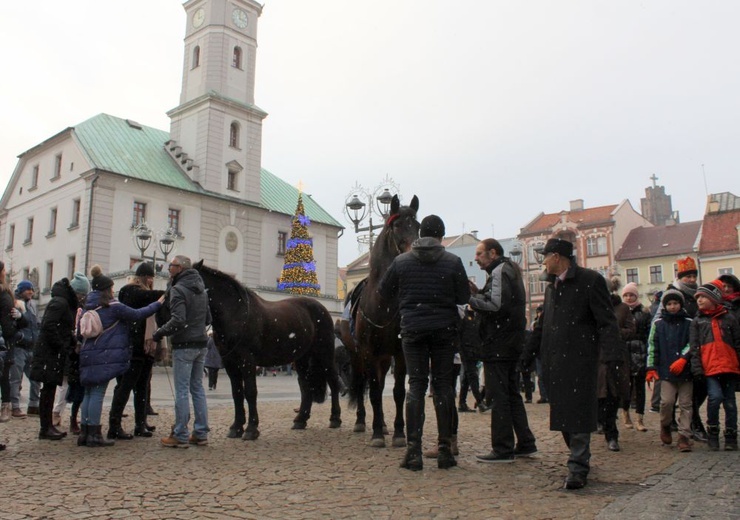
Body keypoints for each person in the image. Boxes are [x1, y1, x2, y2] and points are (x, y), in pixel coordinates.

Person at [521, 238, 622, 490]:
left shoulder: (590, 280)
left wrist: (612, 357)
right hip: (554, 361)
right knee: (565, 416)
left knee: (577, 414)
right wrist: (527, 356)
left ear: (556, 257)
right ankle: (580, 456)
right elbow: (543, 325)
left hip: (580, 360)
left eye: (544, 256)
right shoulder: (551, 286)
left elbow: (606, 322)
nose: (542, 262)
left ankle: (578, 466)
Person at [377, 215, 470, 471]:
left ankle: (414, 451)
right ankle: (444, 450)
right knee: (443, 387)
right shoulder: (453, 262)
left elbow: (384, 293)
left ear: (420, 235)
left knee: (416, 385)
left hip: (413, 330)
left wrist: (407, 299)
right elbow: (464, 296)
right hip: (444, 331)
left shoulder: (402, 261)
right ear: (441, 236)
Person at [78, 265, 164, 448]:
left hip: (88, 353)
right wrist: (158, 302)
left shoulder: (88, 305)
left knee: (88, 392)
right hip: (105, 353)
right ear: (108, 289)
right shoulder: (112, 305)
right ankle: (95, 432)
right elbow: (138, 314)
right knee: (99, 393)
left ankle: (85, 432)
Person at [469, 238, 537, 463]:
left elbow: (496, 305)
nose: (476, 258)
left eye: (480, 254)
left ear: (493, 253)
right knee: (511, 394)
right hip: (510, 342)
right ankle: (526, 442)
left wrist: (470, 300)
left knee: (498, 396)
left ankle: (502, 449)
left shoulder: (499, 271)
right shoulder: (511, 270)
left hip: (498, 343)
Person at [153, 255, 211, 448]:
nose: (169, 269)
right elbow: (208, 318)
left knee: (182, 391)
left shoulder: (178, 290)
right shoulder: (202, 290)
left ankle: (180, 434)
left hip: (185, 345)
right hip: (201, 344)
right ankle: (201, 432)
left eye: (172, 266)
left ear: (181, 268)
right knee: (197, 389)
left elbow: (178, 319)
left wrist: (159, 332)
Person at [108, 262, 165, 439]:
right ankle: (114, 424)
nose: (150, 280)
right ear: (141, 277)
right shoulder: (129, 291)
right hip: (133, 346)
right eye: (148, 277)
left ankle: (140, 424)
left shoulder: (145, 293)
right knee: (126, 386)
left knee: (142, 387)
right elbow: (145, 297)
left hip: (146, 347)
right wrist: (166, 293)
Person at [30, 276, 86, 440]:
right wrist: (62, 345)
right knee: (48, 390)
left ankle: (47, 425)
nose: (82, 298)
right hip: (50, 353)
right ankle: (45, 427)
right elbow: (49, 326)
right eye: (81, 295)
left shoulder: (61, 302)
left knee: (50, 389)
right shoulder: (60, 303)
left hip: (52, 352)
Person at [689, 280, 740, 451]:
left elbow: (738, 343)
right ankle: (713, 430)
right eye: (698, 298)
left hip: (729, 367)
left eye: (703, 297)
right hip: (709, 368)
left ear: (714, 298)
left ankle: (731, 435)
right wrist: (697, 369)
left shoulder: (729, 318)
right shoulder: (697, 322)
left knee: (730, 403)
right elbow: (694, 347)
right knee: (715, 397)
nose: (700, 300)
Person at [646, 289, 694, 452]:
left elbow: (693, 343)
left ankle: (684, 436)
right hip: (666, 371)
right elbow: (653, 346)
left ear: (680, 304)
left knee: (686, 404)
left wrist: (683, 358)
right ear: (664, 306)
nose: (673, 307)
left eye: (675, 303)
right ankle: (665, 425)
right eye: (669, 304)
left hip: (686, 371)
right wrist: (651, 367)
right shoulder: (658, 324)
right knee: (666, 402)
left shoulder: (689, 322)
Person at [596, 281, 634, 452]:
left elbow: (631, 329)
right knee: (599, 395)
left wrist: (615, 331)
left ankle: (612, 434)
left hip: (615, 357)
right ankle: (601, 422)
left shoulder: (622, 308)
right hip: (596, 357)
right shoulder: (593, 306)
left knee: (613, 396)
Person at [621, 282, 651, 432]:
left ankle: (640, 418)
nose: (628, 297)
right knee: (626, 387)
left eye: (631, 295)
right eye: (626, 295)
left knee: (639, 388)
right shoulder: (620, 312)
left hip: (640, 353)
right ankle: (626, 415)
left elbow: (647, 333)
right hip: (624, 353)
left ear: (636, 296)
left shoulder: (644, 313)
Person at [0, 260, 28, 423]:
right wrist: (15, 333)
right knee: (4, 377)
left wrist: (20, 317)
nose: (5, 273)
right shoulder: (4, 294)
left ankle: (6, 407)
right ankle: (6, 407)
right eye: (3, 270)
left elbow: (16, 320)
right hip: (5, 342)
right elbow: (9, 323)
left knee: (4, 378)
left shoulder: (6, 293)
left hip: (5, 342)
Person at [10, 280, 41, 418]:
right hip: (19, 348)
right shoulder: (15, 304)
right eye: (28, 289)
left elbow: (36, 325)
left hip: (32, 348)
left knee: (35, 377)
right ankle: (14, 407)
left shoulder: (32, 305)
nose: (31, 292)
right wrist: (20, 337)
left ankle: (34, 405)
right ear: (22, 290)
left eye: (32, 289)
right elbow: (10, 325)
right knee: (16, 379)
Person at [457, 306, 483, 412]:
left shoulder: (477, 317)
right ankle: (480, 401)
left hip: (474, 352)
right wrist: (461, 350)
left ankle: (462, 403)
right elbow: (459, 335)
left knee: (467, 379)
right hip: (466, 352)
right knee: (473, 376)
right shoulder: (463, 317)